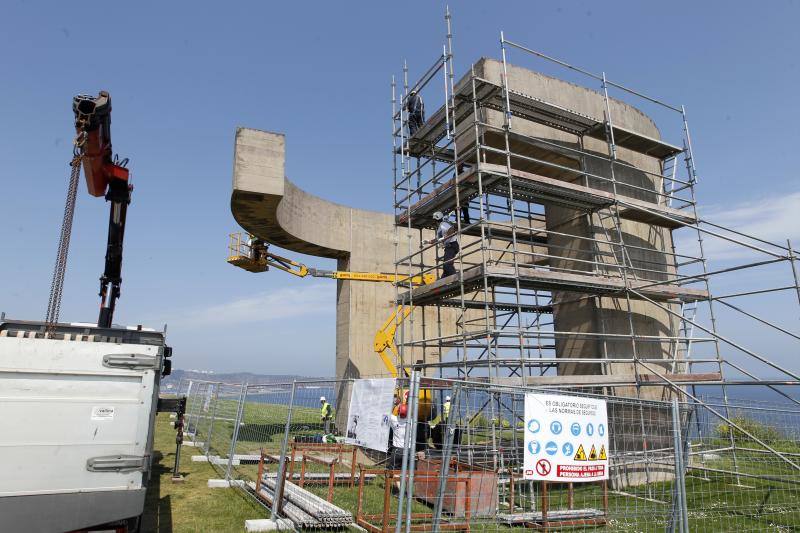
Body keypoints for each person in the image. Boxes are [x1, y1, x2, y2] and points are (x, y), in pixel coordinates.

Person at [422, 211, 458, 278]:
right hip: (449, 247)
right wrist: (429, 242)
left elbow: (452, 229)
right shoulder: (440, 227)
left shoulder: (443, 224)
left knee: (447, 264)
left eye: (434, 220)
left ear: (437, 220)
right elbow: (438, 239)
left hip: (452, 245)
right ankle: (443, 280)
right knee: (446, 265)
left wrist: (444, 237)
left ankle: (455, 278)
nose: (433, 222)